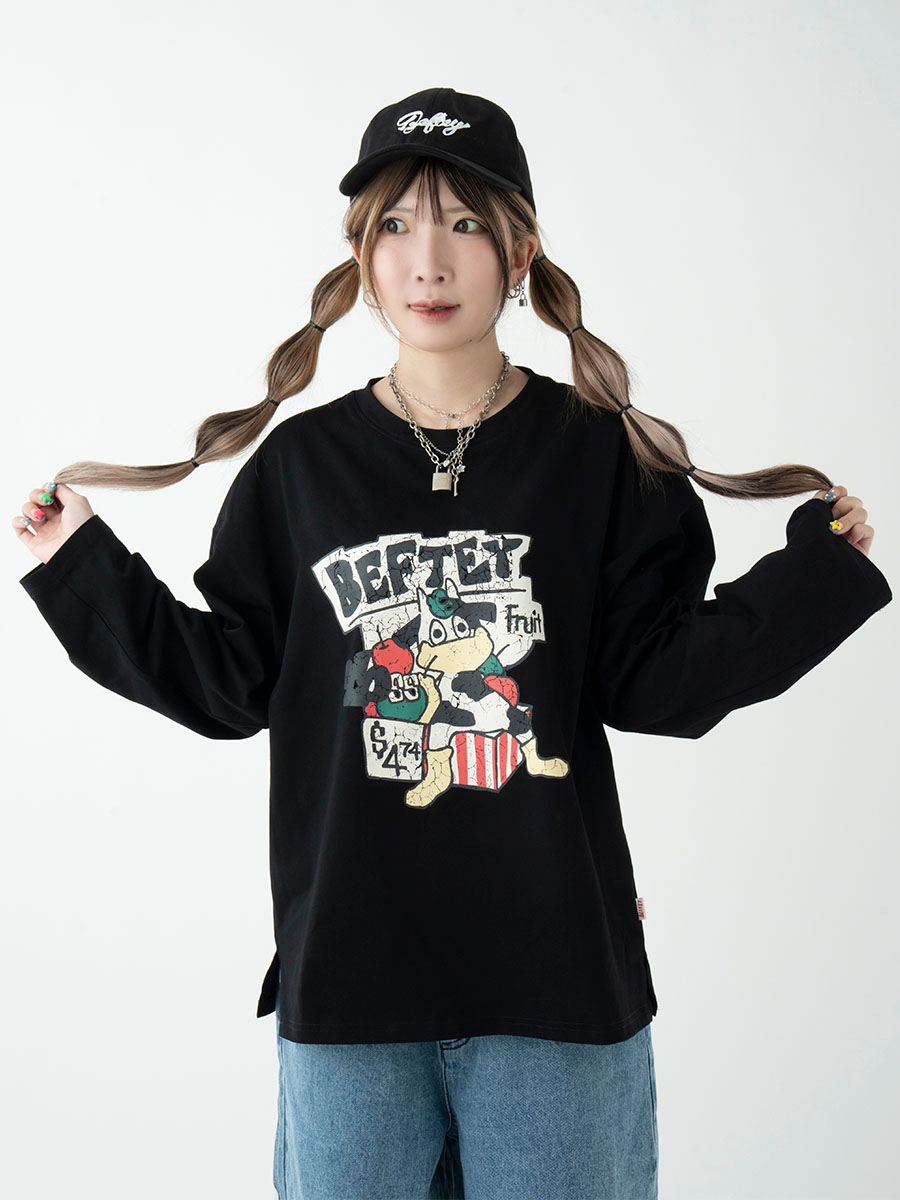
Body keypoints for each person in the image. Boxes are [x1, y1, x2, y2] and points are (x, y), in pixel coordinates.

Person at [12, 87, 891, 1200]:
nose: (428, 262)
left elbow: (658, 682)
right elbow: (228, 682)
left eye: (465, 223)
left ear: (520, 251)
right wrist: (79, 566)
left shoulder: (601, 457)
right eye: (395, 225)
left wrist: (814, 581)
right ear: (361, 257)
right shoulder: (299, 469)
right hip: (350, 990)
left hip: (559, 987)